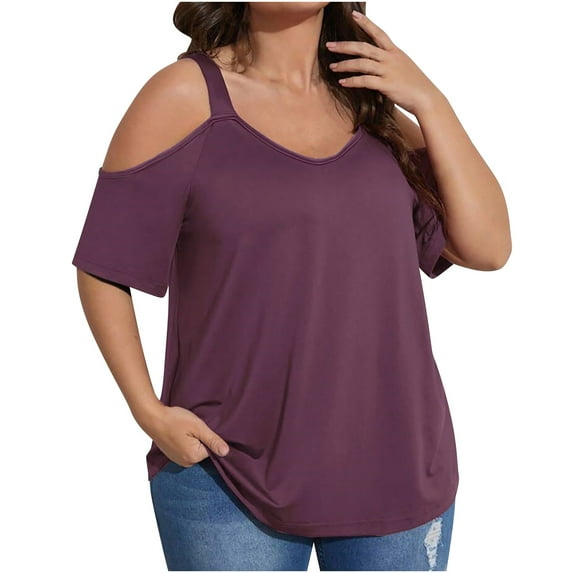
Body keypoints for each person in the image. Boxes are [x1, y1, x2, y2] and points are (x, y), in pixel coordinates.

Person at [71, 2, 511, 571]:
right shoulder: (183, 97)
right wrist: (147, 410)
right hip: (227, 475)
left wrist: (429, 101)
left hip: (397, 469)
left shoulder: (370, 109)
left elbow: (488, 248)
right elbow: (105, 264)